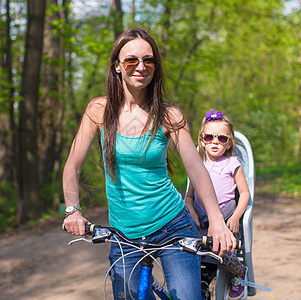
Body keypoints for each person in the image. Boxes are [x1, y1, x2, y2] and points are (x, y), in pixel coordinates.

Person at [62, 28, 236, 300]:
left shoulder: (169, 116)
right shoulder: (98, 110)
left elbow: (196, 170)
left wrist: (216, 221)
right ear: (117, 67)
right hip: (124, 235)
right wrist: (73, 210)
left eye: (149, 60)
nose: (141, 67)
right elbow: (72, 166)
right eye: (131, 61)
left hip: (172, 226)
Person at [185, 108, 250, 300]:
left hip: (226, 223)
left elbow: (244, 194)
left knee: (225, 254)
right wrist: (192, 213)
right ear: (202, 140)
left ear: (229, 143)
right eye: (209, 137)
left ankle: (239, 273)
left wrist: (237, 216)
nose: (214, 141)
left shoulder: (232, 163)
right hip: (201, 224)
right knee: (189, 252)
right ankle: (201, 282)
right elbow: (189, 197)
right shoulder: (198, 165)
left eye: (221, 138)